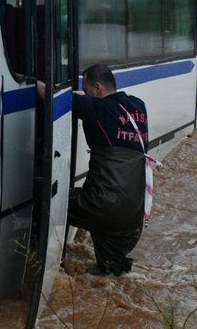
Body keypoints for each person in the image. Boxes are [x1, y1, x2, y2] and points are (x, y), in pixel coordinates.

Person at [37, 64, 148, 276]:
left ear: (97, 88)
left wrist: (28, 80)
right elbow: (115, 114)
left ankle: (43, 265)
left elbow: (50, 95)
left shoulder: (97, 109)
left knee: (49, 202)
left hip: (101, 203)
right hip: (133, 213)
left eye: (87, 90)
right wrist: (85, 98)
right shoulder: (138, 107)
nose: (86, 94)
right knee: (112, 275)